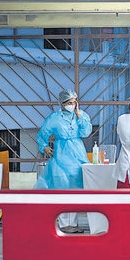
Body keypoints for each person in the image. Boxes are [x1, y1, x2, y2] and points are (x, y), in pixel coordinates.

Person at [34, 89, 92, 233]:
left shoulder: (81, 116)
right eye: (69, 103)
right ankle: (65, 223)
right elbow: (42, 134)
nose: (72, 105)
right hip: (61, 155)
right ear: (62, 103)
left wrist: (79, 115)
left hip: (78, 154)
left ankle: (74, 222)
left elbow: (86, 132)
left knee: (76, 189)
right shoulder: (54, 118)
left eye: (74, 102)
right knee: (63, 188)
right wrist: (45, 147)